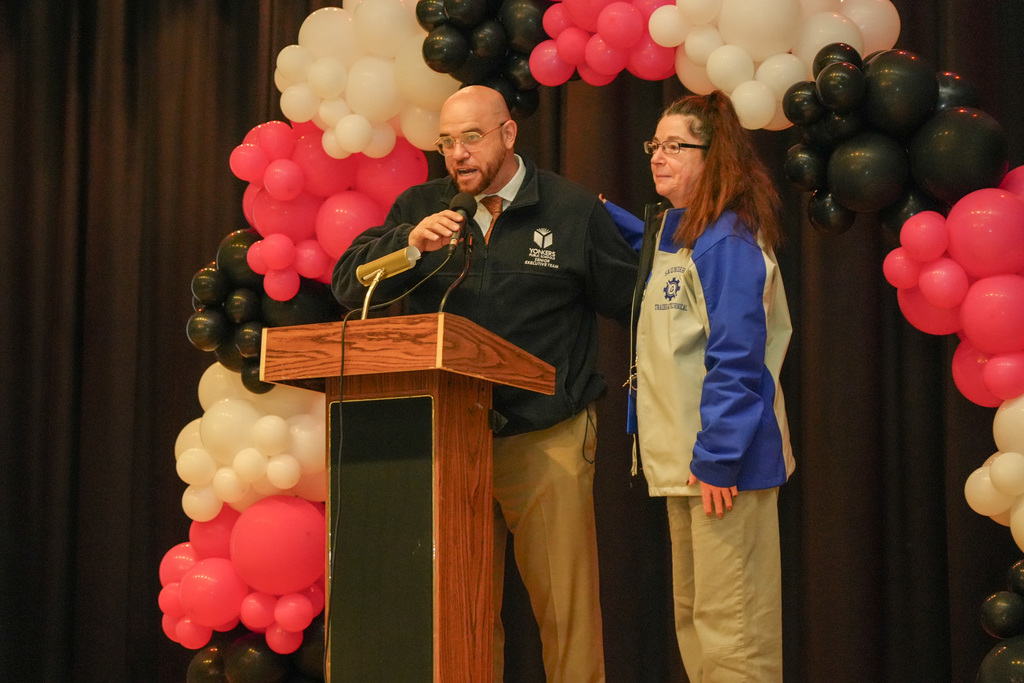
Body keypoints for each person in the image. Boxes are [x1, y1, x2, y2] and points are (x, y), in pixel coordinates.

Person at [332, 85, 638, 682]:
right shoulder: (421, 208)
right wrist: (407, 245)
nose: (458, 155)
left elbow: (632, 300)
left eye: (472, 138)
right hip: (448, 442)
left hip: (545, 436)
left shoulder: (570, 210)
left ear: (508, 133)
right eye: (447, 142)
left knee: (566, 616)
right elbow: (349, 284)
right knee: (460, 616)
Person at [604, 91, 795, 682]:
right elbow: (658, 262)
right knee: (697, 623)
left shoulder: (729, 240)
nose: (657, 158)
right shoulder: (681, 230)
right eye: (653, 146)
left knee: (733, 634)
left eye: (674, 147)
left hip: (721, 469)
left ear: (713, 157)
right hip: (684, 469)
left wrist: (717, 459)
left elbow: (735, 356)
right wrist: (594, 213)